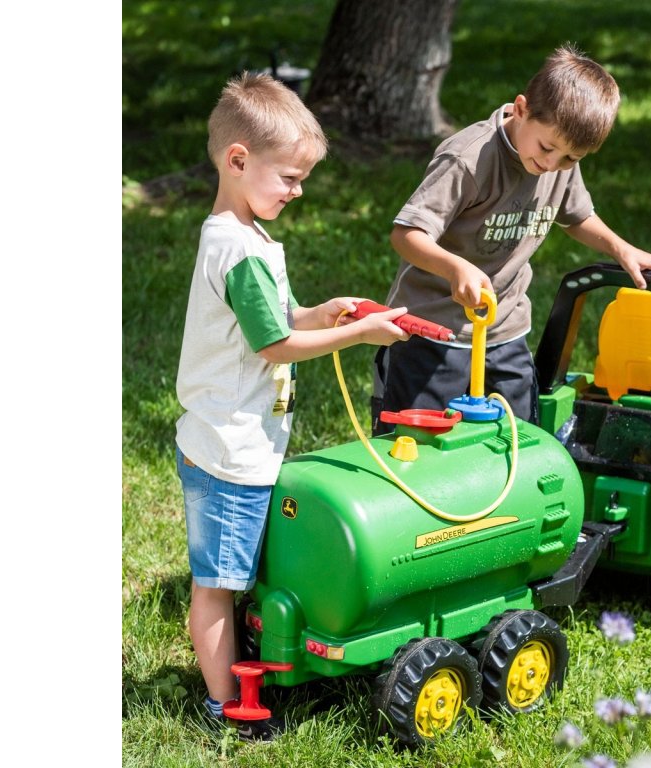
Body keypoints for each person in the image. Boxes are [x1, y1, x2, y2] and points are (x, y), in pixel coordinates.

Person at [174, 72, 409, 738]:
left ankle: (240, 672)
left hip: (241, 444)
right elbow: (274, 345)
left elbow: (278, 321)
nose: (298, 190)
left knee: (235, 575)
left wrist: (321, 312)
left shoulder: (244, 236)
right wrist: (357, 335)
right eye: (290, 177)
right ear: (238, 160)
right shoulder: (239, 250)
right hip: (228, 451)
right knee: (217, 585)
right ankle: (226, 706)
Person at [372, 43, 651, 431]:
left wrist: (622, 249)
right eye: (547, 148)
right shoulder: (469, 159)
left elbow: (576, 216)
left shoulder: (557, 161)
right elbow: (407, 234)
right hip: (432, 332)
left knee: (516, 438)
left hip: (505, 329)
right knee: (418, 442)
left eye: (570, 158)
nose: (552, 164)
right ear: (521, 109)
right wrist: (455, 268)